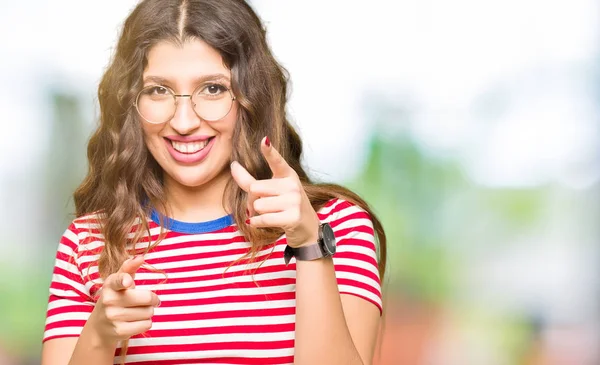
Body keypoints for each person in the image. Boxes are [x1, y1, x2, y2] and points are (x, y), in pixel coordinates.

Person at [41, 0, 387, 364]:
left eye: (213, 89)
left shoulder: (337, 227)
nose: (184, 121)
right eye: (159, 90)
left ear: (251, 97)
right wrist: (99, 334)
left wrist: (308, 246)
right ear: (132, 104)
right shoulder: (88, 243)